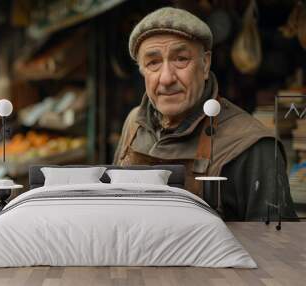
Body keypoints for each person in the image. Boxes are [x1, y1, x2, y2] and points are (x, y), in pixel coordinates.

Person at [113, 7, 297, 221]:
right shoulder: (134, 123)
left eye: (181, 59)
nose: (166, 78)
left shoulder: (252, 145)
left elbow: (275, 247)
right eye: (153, 62)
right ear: (142, 70)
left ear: (205, 63)